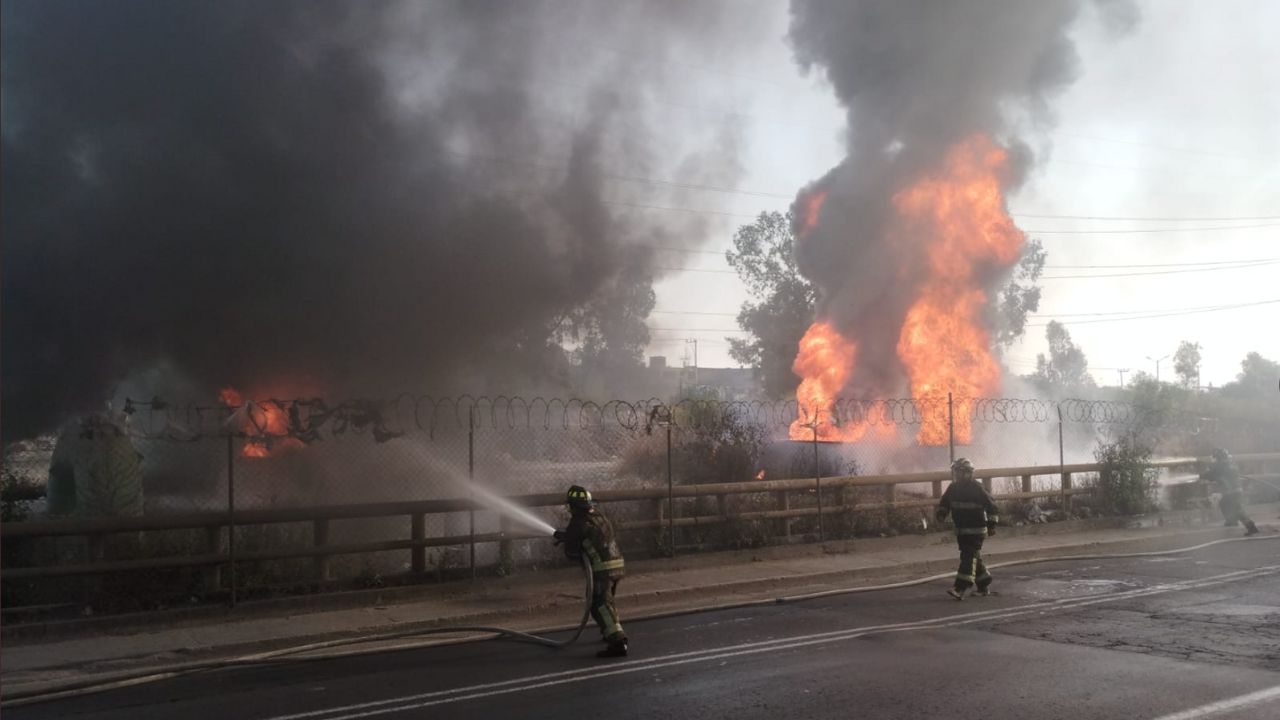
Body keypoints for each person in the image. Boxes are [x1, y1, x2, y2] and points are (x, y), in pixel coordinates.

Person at [553, 485, 629, 657]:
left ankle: (618, 642)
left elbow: (572, 553)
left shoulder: (577, 523)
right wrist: (567, 536)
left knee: (598, 604)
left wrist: (568, 541)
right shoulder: (598, 516)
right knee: (607, 603)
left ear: (572, 506)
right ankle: (609, 632)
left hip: (602, 570)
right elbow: (589, 536)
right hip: (617, 565)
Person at [936, 458, 1000, 600]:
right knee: (973, 557)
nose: (957, 475)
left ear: (968, 473)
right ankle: (984, 584)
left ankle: (960, 588)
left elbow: (992, 507)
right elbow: (945, 502)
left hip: (976, 531)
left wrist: (991, 525)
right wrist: (941, 514)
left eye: (960, 472)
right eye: (956, 471)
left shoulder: (977, 488)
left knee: (968, 557)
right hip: (962, 530)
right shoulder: (953, 488)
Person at [1201, 448, 1259, 536]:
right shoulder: (1230, 464)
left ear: (1218, 457)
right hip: (1234, 490)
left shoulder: (1219, 466)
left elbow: (1210, 475)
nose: (1214, 459)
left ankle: (1251, 526)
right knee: (1225, 504)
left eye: (1215, 457)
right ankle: (1231, 520)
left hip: (1231, 491)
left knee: (1237, 510)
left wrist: (1200, 475)